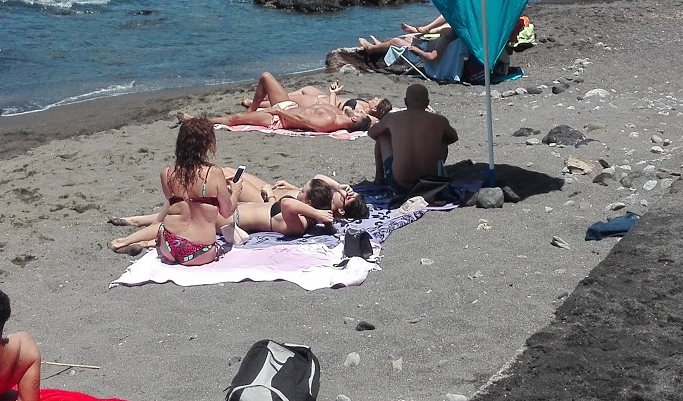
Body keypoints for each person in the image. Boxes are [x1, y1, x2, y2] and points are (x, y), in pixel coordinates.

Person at [107, 173, 365, 253]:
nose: (297, 193)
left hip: (231, 219)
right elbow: (315, 180)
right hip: (233, 213)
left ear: (309, 201)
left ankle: (127, 240)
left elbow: (288, 205)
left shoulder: (298, 222)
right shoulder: (304, 214)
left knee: (183, 213)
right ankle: (142, 235)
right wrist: (333, 189)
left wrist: (319, 216)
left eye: (302, 192)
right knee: (181, 212)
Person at [153, 116, 236, 265]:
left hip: (169, 246)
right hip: (200, 251)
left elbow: (176, 201)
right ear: (207, 144)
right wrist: (235, 192)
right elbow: (227, 212)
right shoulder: (213, 172)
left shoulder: (166, 173)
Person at [203, 74, 390, 133]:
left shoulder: (328, 122)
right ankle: (252, 109)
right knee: (266, 77)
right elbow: (374, 123)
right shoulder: (338, 115)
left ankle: (198, 120)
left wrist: (278, 111)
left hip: (280, 118)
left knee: (235, 118)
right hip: (287, 108)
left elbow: (301, 119)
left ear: (354, 120)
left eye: (360, 114)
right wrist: (332, 94)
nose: (357, 110)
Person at [368, 83, 458, 196]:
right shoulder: (440, 120)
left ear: (405, 102)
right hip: (430, 183)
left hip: (400, 185)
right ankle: (434, 168)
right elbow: (453, 137)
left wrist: (397, 139)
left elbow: (372, 132)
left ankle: (379, 177)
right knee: (443, 139)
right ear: (428, 103)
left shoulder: (393, 117)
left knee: (382, 135)